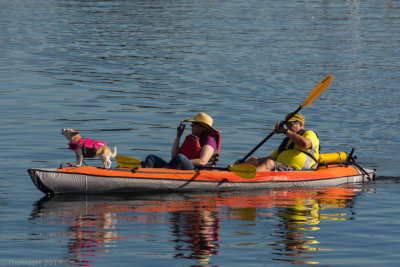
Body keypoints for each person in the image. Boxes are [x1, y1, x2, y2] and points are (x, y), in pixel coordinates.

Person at [241, 113, 319, 172]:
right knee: (254, 160)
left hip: (298, 170)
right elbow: (271, 158)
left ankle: (244, 180)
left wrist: (285, 131)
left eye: (290, 124)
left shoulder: (309, 133)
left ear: (301, 124)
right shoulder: (287, 140)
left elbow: (305, 144)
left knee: (269, 163)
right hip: (281, 168)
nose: (287, 126)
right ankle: (232, 171)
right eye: (286, 124)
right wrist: (245, 163)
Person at [143, 112, 221, 170]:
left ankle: (164, 172)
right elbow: (173, 156)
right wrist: (178, 136)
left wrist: (182, 161)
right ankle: (142, 175)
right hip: (183, 167)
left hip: (197, 172)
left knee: (179, 158)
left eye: (194, 124)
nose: (191, 125)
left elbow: (202, 161)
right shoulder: (196, 139)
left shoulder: (209, 140)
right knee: (151, 158)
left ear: (202, 127)